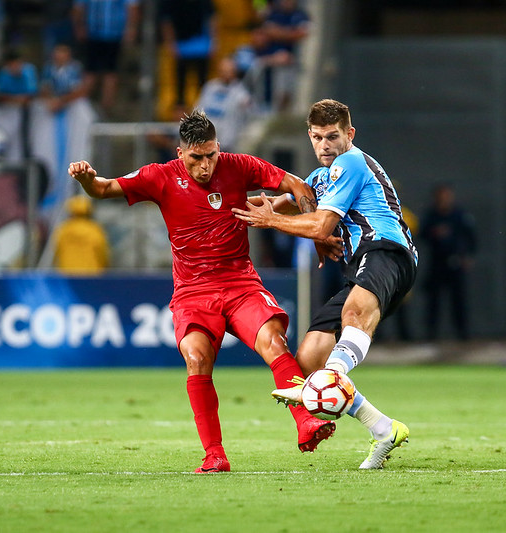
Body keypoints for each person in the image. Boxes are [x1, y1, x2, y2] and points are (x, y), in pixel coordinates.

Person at [68, 110, 335, 473]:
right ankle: (214, 455)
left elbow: (298, 185)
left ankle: (306, 422)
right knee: (196, 358)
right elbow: (102, 188)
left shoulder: (239, 165)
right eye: (196, 158)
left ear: (218, 148)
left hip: (240, 282)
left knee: (274, 341)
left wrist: (315, 233)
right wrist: (86, 179)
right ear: (181, 154)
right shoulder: (158, 176)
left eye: (211, 155)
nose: (205, 165)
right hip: (193, 291)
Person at [232, 99, 418, 469]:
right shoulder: (321, 177)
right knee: (308, 362)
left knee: (351, 319)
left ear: (349, 134)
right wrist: (222, 205)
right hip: (361, 265)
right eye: (317, 138)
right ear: (309, 135)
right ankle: (382, 429)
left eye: (332, 137)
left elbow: (319, 224)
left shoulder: (350, 162)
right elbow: (281, 201)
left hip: (386, 250)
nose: (324, 146)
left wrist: (272, 223)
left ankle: (334, 378)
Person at [420, 184, 476, 341]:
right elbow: (422, 233)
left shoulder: (459, 215)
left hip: (456, 263)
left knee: (458, 300)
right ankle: (431, 334)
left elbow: (471, 237)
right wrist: (434, 233)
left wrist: (468, 256)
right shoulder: (431, 215)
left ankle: (463, 334)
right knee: (434, 300)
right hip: (437, 263)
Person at [72, 0, 139, 116]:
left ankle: (105, 110)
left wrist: (131, 28)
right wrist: (78, 26)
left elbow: (132, 7)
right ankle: (81, 107)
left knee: (109, 73)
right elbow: (78, 7)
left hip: (113, 34)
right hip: (93, 34)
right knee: (91, 72)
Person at [159, 0, 215, 110]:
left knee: (202, 84)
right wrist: (171, 43)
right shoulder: (171, 3)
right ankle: (180, 112)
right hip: (181, 46)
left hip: (201, 46)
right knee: (180, 86)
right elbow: (166, 21)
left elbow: (212, 17)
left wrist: (213, 41)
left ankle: (203, 112)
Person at [194, 57, 253, 153]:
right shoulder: (210, 87)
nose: (225, 74)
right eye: (223, 71)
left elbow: (248, 109)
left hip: (227, 142)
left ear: (235, 72)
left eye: (228, 71)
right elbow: (198, 109)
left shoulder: (240, 91)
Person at [52, 195, 110, 275]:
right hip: (91, 275)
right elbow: (103, 254)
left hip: (68, 275)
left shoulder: (64, 230)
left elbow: (56, 252)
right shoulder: (95, 230)